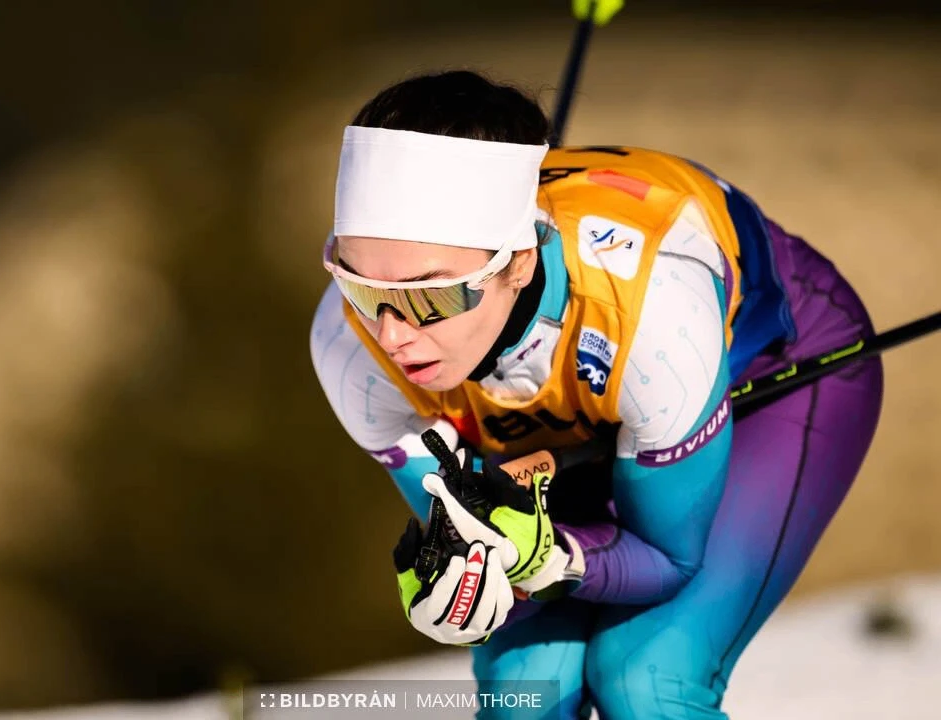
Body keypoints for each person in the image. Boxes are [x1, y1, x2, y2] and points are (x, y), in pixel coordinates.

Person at [309, 70, 883, 719]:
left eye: (431, 297)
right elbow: (477, 542)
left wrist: (551, 558)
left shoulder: (654, 319)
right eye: (359, 285)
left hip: (770, 371)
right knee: (527, 693)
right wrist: (462, 584)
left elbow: (668, 558)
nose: (391, 334)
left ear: (519, 262)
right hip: (581, 415)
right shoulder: (347, 345)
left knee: (646, 679)